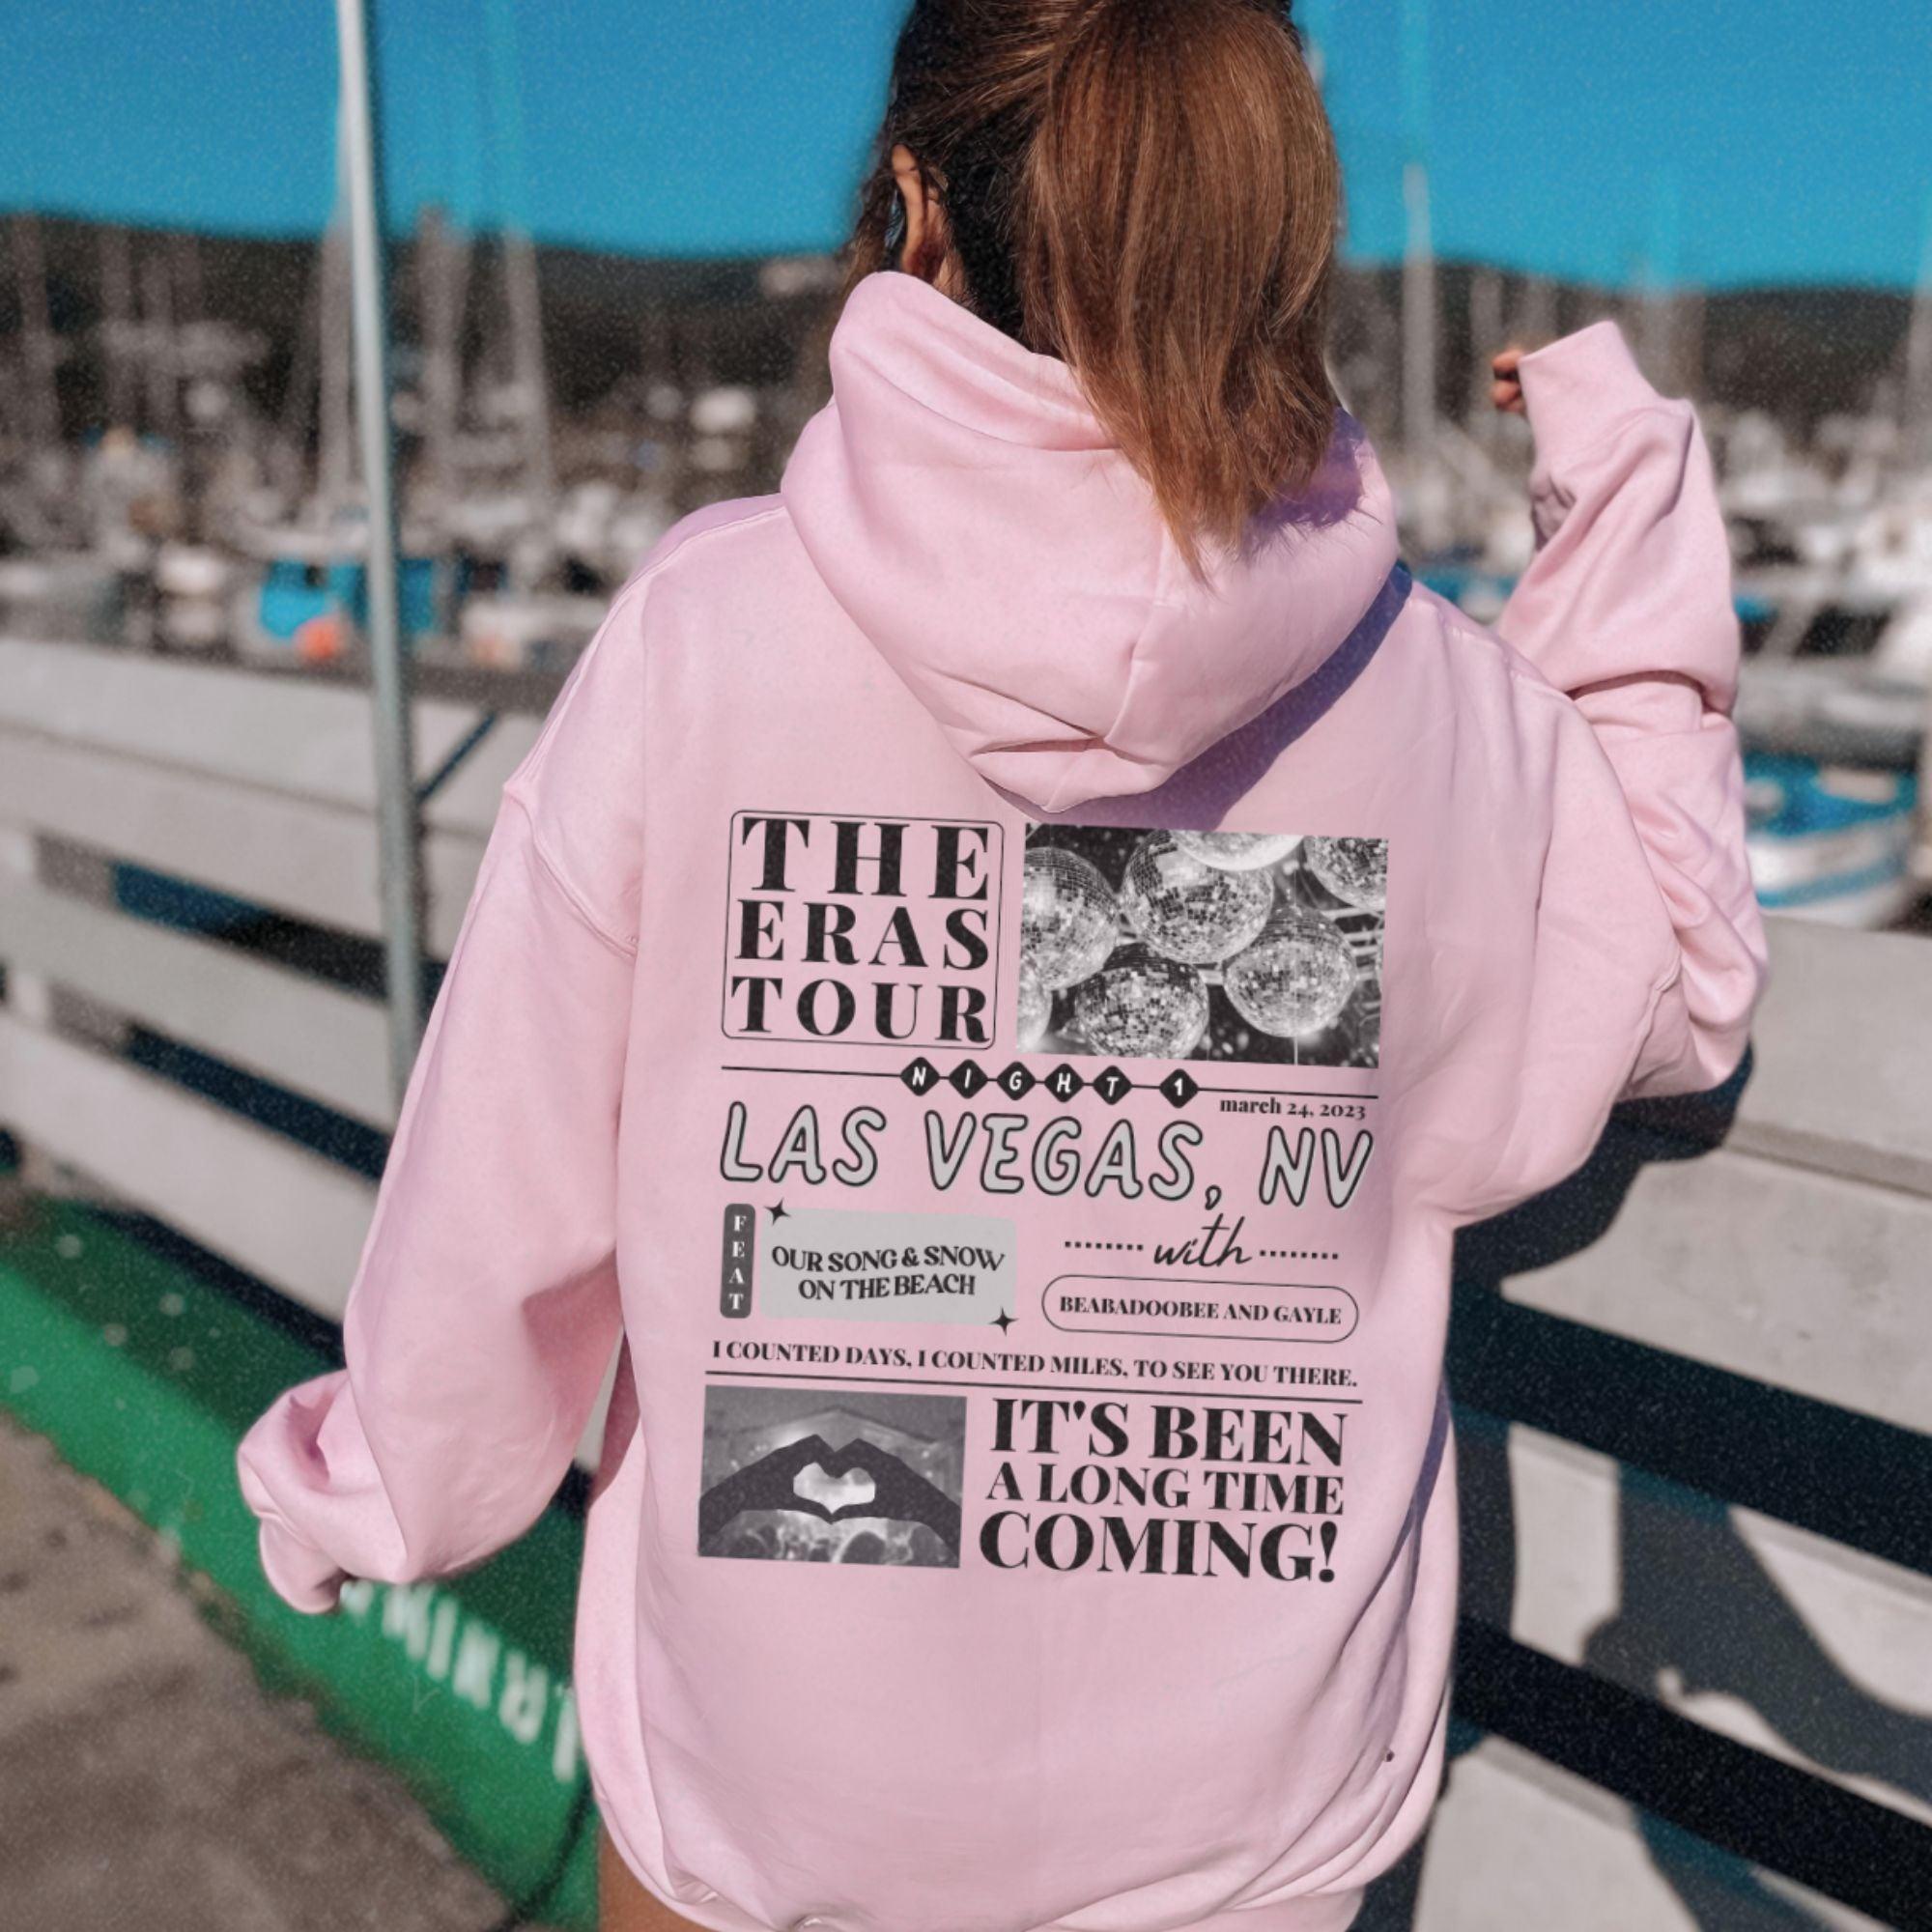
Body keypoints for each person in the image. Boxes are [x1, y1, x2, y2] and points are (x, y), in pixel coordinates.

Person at [236, 2, 1767, 1929]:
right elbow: (1684, 971)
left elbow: (509, 1182)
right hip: (1239, 1824)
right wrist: (1622, 477)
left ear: (916, 202)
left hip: (780, 1785)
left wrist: (378, 1483)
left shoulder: (708, 635)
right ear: (1269, 231)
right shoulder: (1437, 707)